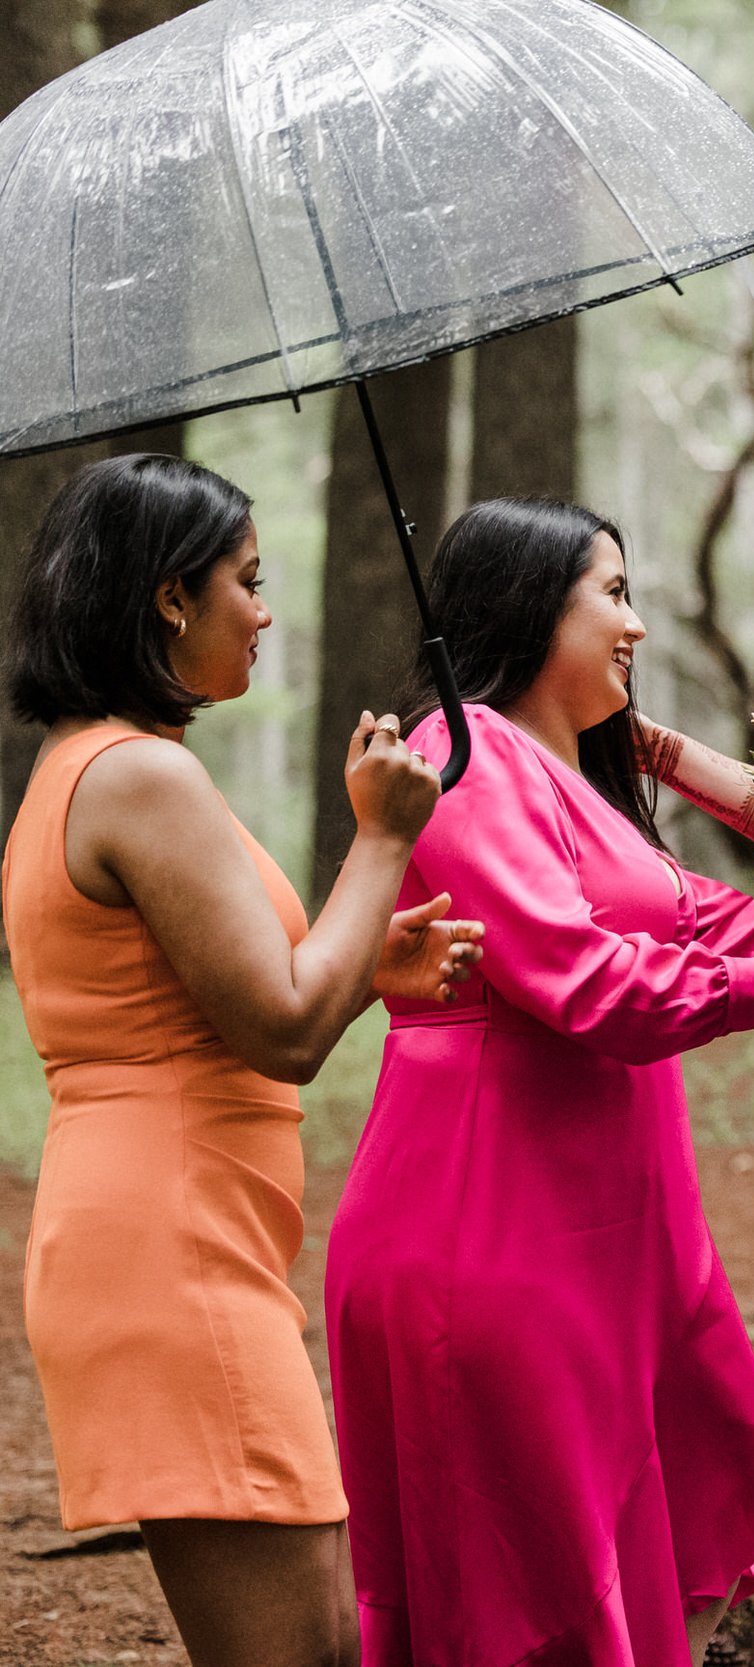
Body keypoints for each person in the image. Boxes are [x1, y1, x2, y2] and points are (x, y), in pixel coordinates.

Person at [322, 497, 754, 1666]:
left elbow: (699, 915)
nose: (639, 625)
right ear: (527, 607)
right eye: (610, 594)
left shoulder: (563, 772)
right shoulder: (458, 764)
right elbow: (589, 983)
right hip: (496, 1233)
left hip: (628, 1240)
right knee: (541, 1595)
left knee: (683, 1540)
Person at [1, 454, 481, 1667]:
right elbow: (280, 1031)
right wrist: (381, 839)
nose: (266, 613)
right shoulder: (139, 775)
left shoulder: (93, 764)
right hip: (169, 1241)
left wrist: (366, 969)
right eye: (247, 582)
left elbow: (207, 1005)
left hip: (183, 1227)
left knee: (315, 1639)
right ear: (171, 596)